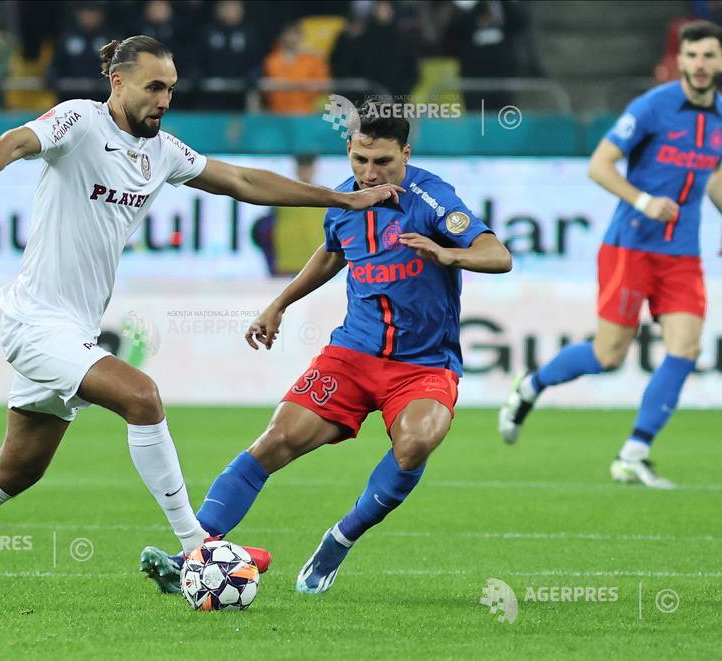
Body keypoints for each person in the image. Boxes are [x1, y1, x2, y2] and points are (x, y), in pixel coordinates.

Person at [0, 36, 402, 602]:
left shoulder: (161, 151)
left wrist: (339, 201)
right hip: (36, 324)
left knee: (17, 469)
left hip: (73, 330)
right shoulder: (79, 122)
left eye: (170, 89)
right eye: (153, 87)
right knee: (142, 397)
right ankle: (197, 545)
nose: (164, 99)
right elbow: (15, 141)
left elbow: (241, 182)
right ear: (117, 83)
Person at [140, 103, 511, 595]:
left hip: (423, 364)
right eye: (360, 160)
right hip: (353, 355)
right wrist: (279, 304)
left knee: (417, 441)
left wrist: (449, 253)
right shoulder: (344, 202)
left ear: (406, 152)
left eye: (382, 162)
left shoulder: (433, 199)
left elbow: (498, 254)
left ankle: (339, 539)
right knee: (275, 440)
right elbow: (333, 252)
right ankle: (191, 554)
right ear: (349, 151)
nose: (369, 173)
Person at [498, 20, 722, 489]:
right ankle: (531, 386)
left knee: (686, 348)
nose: (701, 65)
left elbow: (714, 177)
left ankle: (633, 454)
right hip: (631, 247)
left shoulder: (719, 115)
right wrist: (643, 201)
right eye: (694, 56)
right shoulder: (653, 107)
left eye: (710, 56)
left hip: (681, 254)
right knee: (608, 355)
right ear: (679, 60)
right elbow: (600, 164)